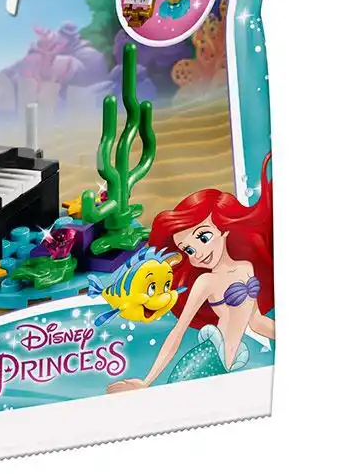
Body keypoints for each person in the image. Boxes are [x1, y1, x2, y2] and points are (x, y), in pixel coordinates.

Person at [107, 154, 273, 391]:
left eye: (203, 237)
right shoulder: (207, 281)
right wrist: (146, 382)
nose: (198, 253)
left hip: (225, 366)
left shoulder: (247, 267)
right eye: (188, 250)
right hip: (202, 363)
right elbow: (178, 331)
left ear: (223, 229)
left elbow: (256, 322)